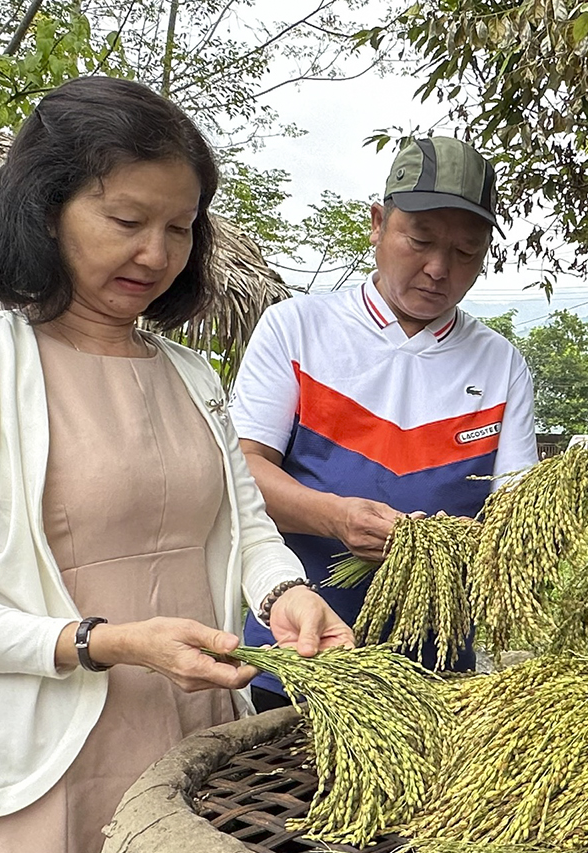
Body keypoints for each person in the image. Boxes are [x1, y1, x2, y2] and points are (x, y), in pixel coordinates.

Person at [0, 76, 351, 853]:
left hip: (190, 741)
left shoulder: (191, 375)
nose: (156, 253)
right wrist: (108, 641)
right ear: (44, 209)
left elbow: (242, 526)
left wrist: (285, 593)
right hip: (39, 771)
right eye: (126, 221)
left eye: (179, 228)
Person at [229, 136, 538, 710]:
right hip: (302, 655)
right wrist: (337, 518)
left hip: (434, 667)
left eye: (467, 252)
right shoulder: (297, 330)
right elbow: (242, 471)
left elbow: (516, 510)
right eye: (419, 241)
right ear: (377, 224)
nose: (438, 269)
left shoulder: (500, 365)